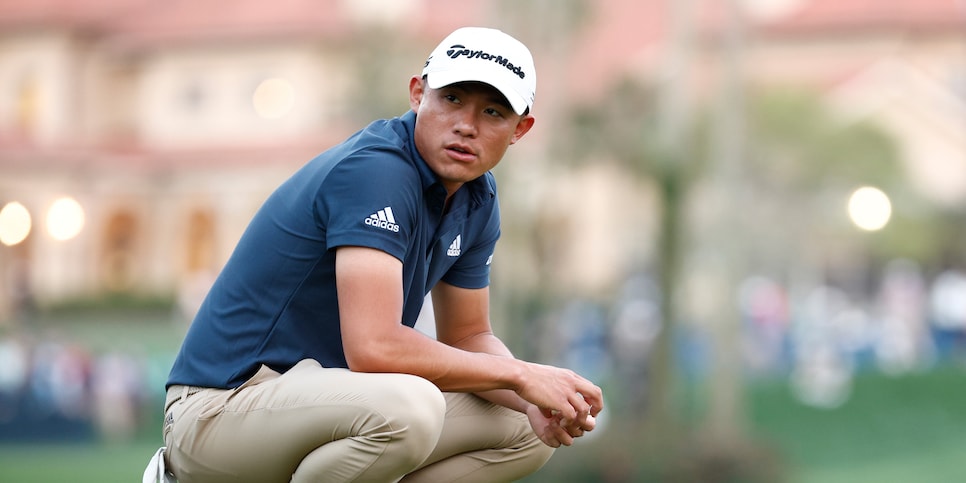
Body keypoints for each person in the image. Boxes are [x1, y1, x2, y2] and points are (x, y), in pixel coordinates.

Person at [150, 26, 603, 483]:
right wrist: (521, 375)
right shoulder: (377, 170)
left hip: (326, 406)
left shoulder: (477, 197)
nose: (467, 125)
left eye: (492, 111)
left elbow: (467, 336)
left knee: (522, 429)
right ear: (417, 94)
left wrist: (533, 398)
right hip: (219, 410)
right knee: (410, 410)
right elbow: (374, 347)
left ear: (519, 130)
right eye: (451, 99)